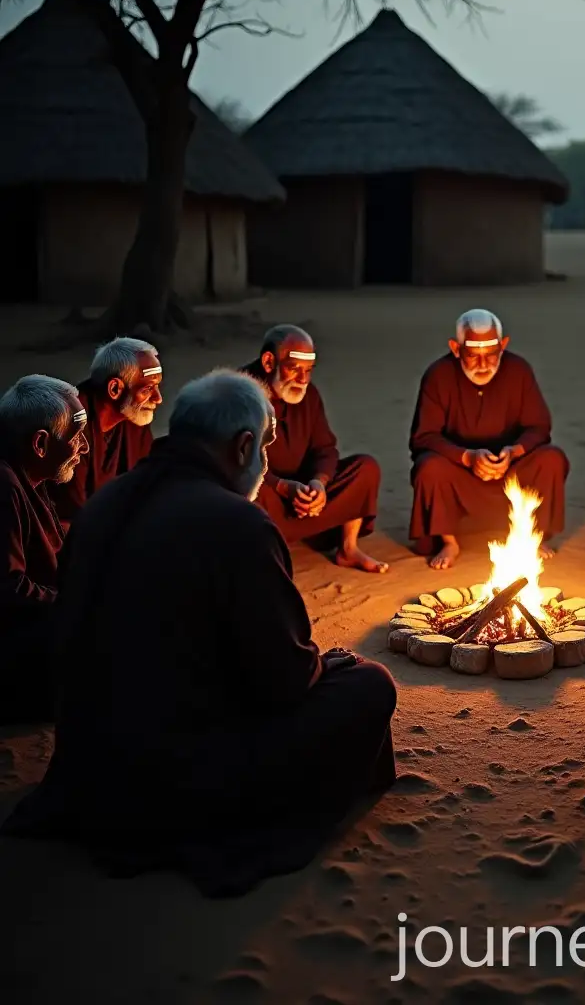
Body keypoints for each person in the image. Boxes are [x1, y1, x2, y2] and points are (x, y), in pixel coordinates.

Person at [2, 371, 397, 897]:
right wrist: (327, 665)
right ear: (243, 446)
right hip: (178, 773)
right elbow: (284, 679)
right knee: (371, 684)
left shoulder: (104, 504)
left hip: (90, 764)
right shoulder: (240, 525)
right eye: (267, 443)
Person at [408, 309, 569, 569]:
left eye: (491, 355)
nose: (483, 365)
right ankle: (449, 542)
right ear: (456, 348)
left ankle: (534, 536)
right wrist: (467, 457)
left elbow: (539, 428)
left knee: (551, 458)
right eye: (473, 356)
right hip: (459, 473)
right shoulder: (438, 375)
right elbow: (424, 438)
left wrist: (514, 452)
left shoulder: (519, 371)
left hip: (511, 471)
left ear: (503, 346)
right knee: (430, 467)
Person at [241, 325, 387, 573]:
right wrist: (284, 487)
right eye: (294, 369)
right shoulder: (240, 395)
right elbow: (239, 461)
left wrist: (319, 483)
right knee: (248, 494)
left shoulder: (308, 394)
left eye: (308, 371)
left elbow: (325, 448)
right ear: (268, 362)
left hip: (304, 491)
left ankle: (348, 548)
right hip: (270, 493)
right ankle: (262, 561)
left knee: (365, 468)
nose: (303, 380)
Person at [0, 376, 88, 723]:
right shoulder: (5, 487)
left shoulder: (27, 477)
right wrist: (74, 603)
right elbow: (9, 589)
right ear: (40, 444)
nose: (84, 448)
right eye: (76, 437)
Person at [49, 337, 160, 528]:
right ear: (115, 388)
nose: (158, 398)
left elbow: (147, 483)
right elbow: (70, 509)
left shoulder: (133, 417)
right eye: (148, 388)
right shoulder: (70, 422)